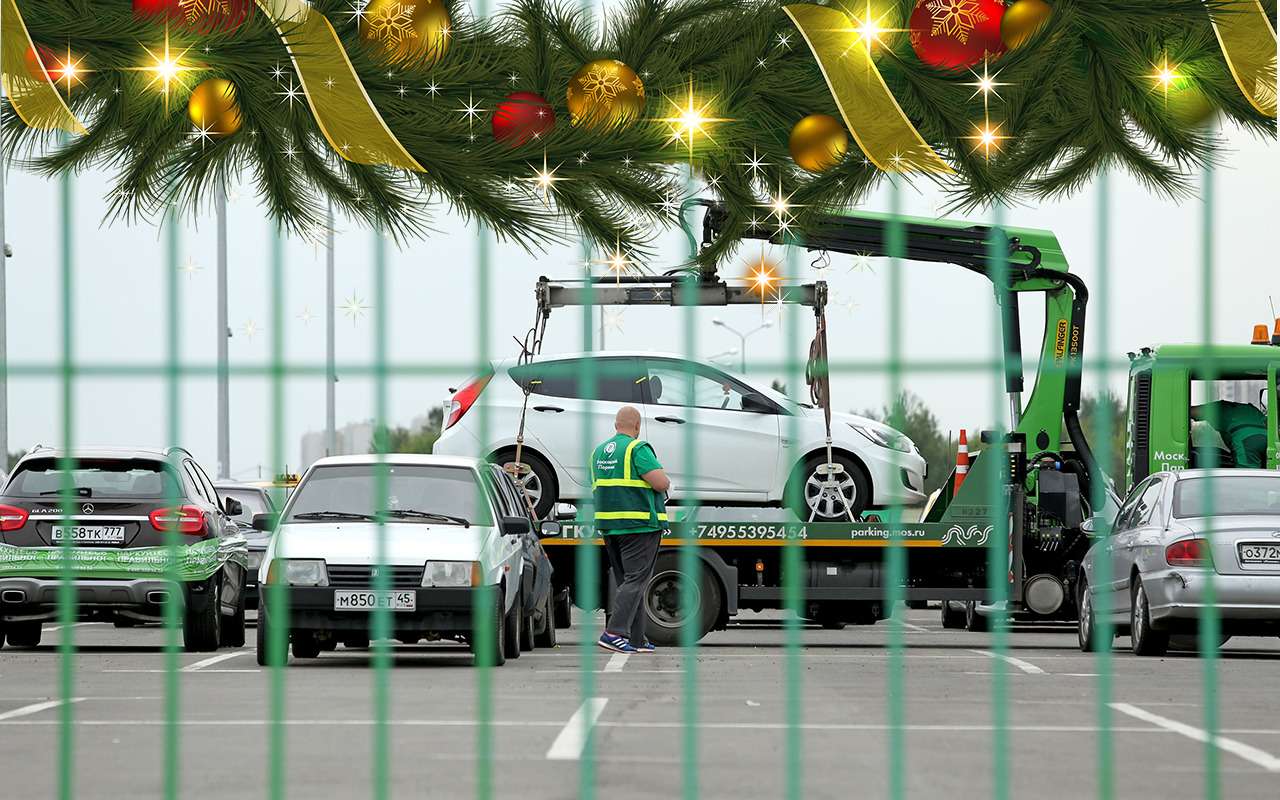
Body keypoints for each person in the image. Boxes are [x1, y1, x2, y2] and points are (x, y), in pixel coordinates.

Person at [590, 406, 671, 654]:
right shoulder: (637, 448)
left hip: (610, 526)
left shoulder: (599, 452)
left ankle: (637, 638)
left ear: (616, 425)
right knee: (636, 580)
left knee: (629, 581)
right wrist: (668, 483)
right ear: (637, 426)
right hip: (639, 525)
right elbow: (660, 482)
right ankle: (614, 633)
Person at [1190, 400, 1267, 468]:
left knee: (1246, 476)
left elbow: (1190, 411)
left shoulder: (1219, 407)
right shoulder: (1250, 408)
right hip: (1267, 437)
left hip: (1245, 441)